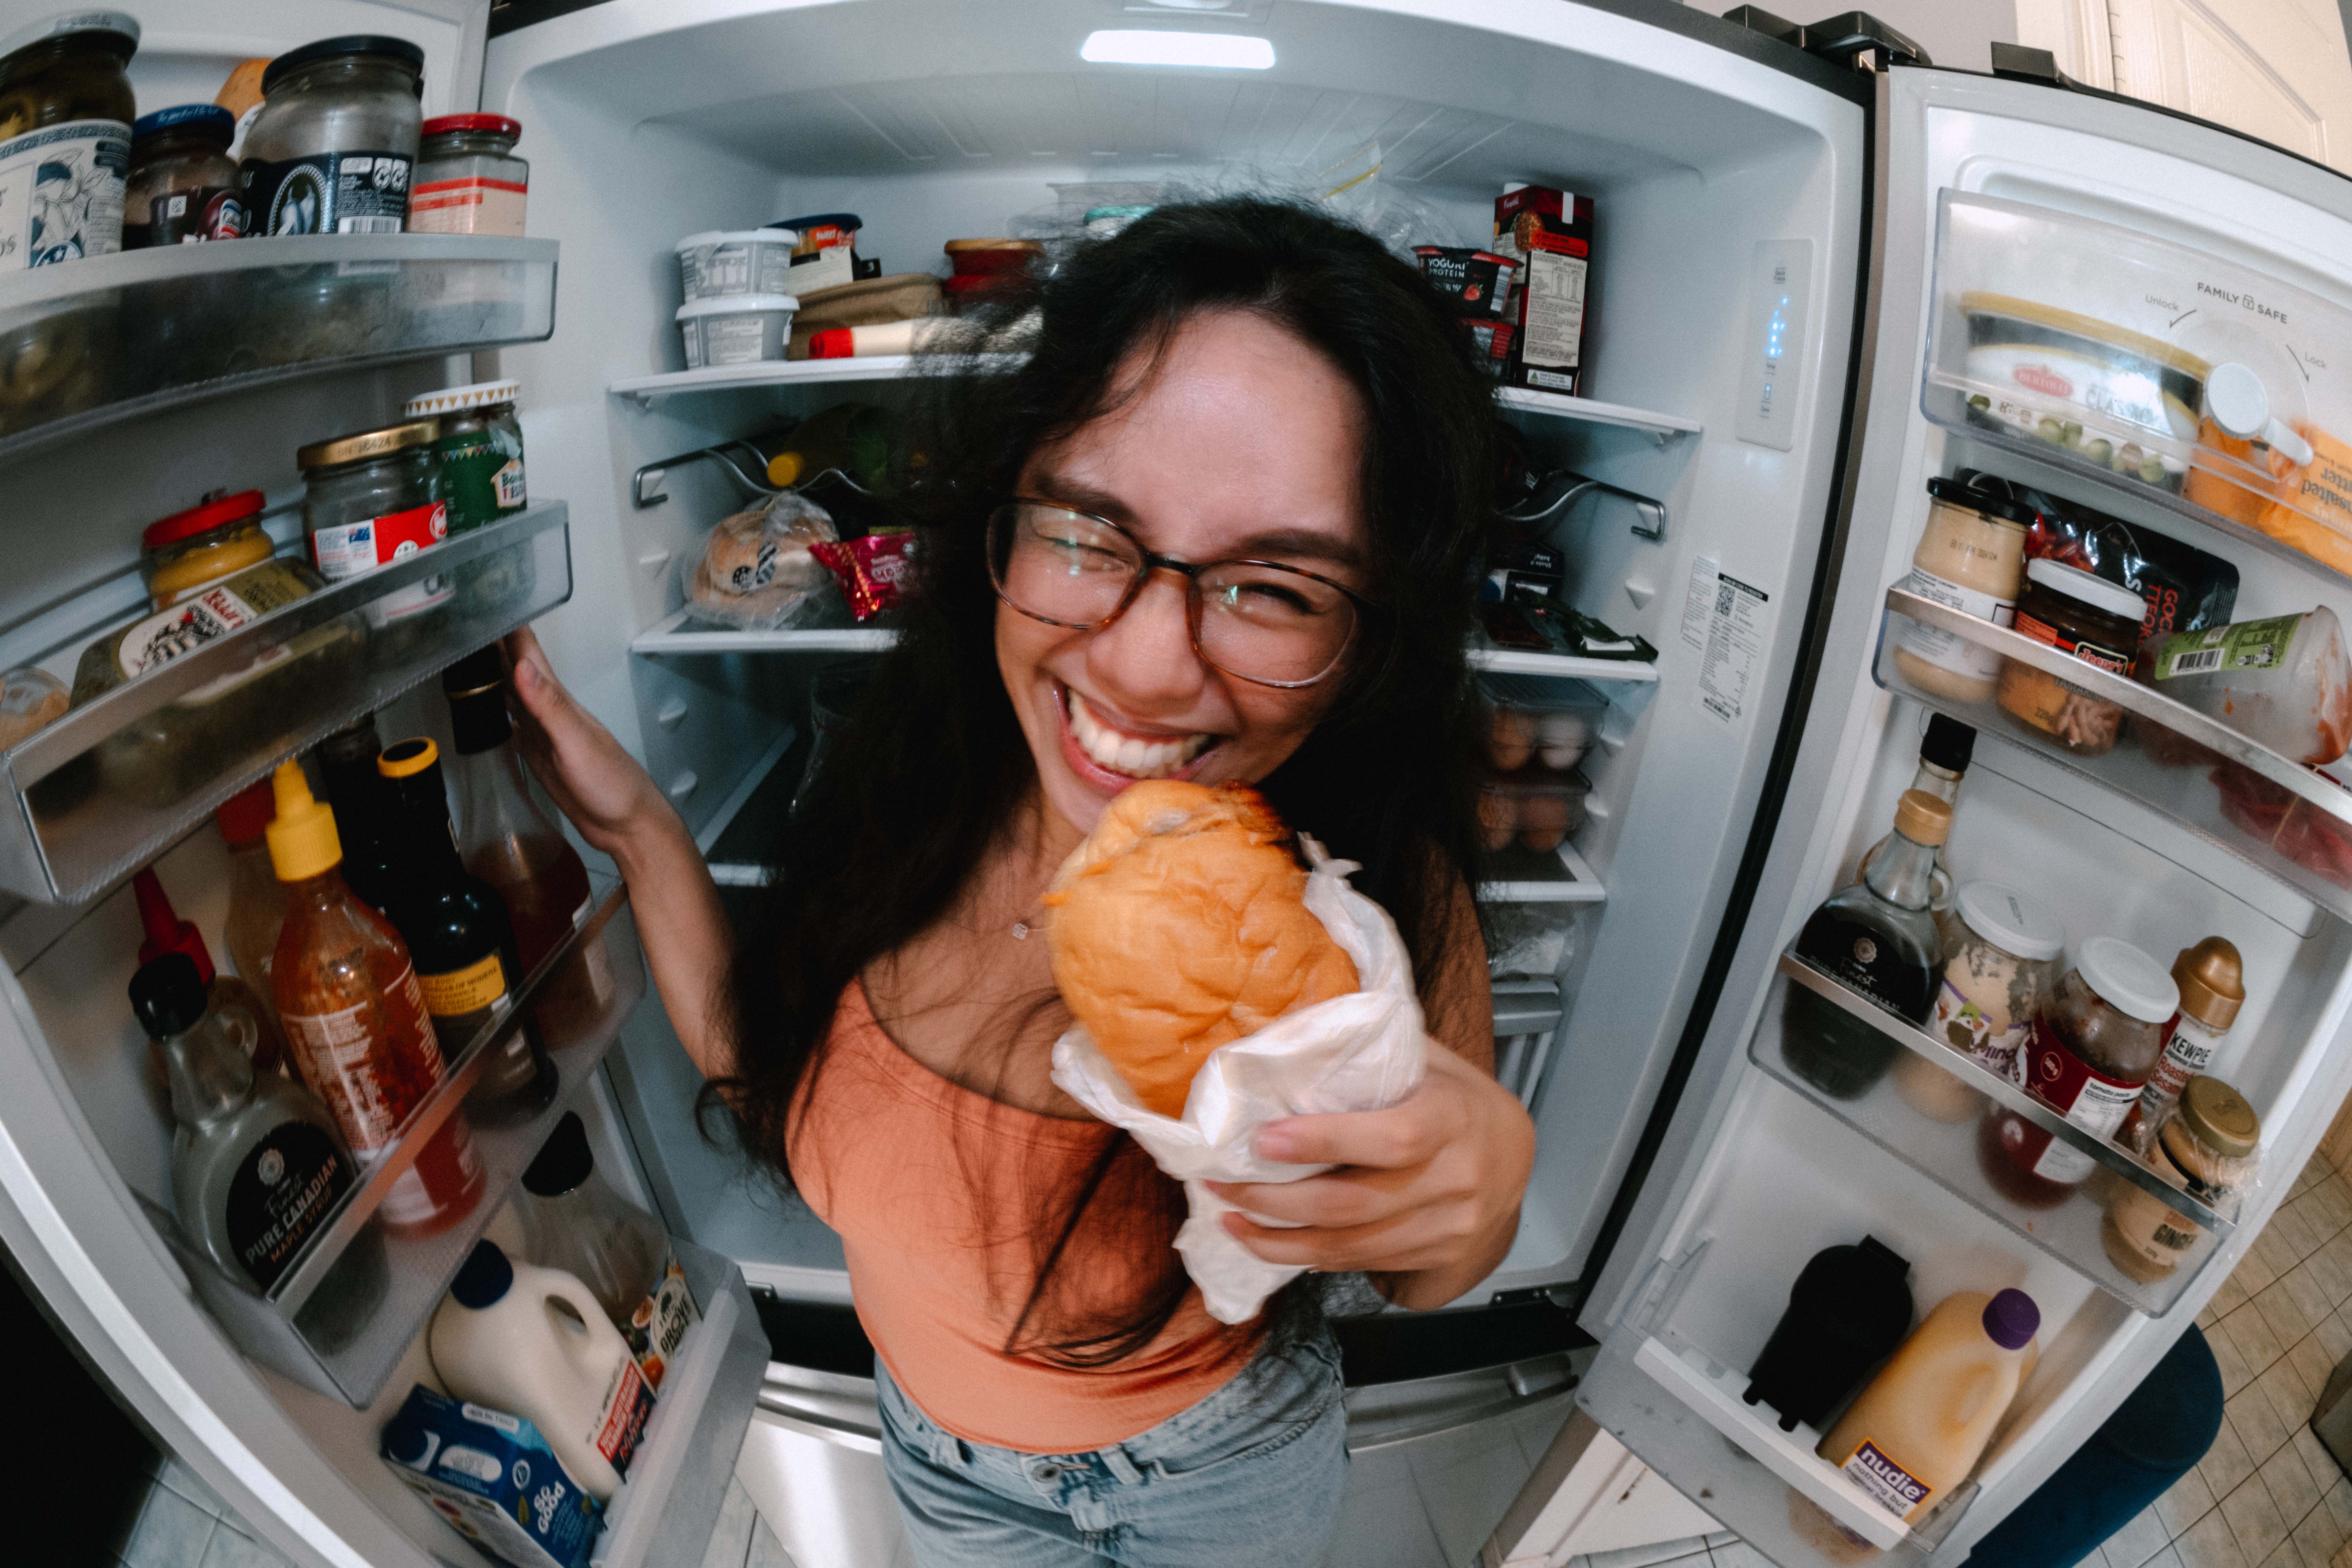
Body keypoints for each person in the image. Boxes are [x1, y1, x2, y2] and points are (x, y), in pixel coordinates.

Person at [501, 197, 1536, 1567]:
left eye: (1275, 586)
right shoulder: (908, 796)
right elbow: (770, 1067)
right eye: (1089, 531)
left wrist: (1485, 1190)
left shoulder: (1357, 919)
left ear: (1370, 635)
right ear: (1004, 517)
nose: (1149, 664)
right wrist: (635, 826)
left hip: (1212, 1481)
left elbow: (1421, 1257)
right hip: (932, 1464)